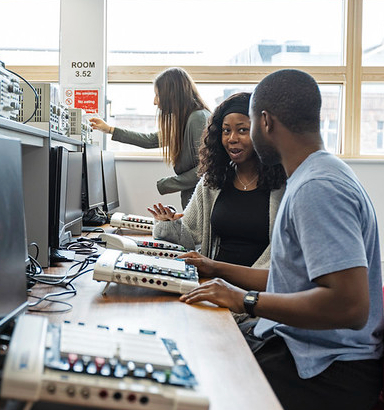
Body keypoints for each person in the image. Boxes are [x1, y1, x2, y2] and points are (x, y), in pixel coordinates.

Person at [179, 69, 383, 410]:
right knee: (194, 341)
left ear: (265, 122)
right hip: (304, 348)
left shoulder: (317, 188)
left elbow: (350, 306)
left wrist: (246, 301)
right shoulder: (315, 172)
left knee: (190, 381)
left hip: (326, 369)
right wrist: (215, 270)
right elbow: (291, 282)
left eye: (248, 126)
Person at [147, 92, 286, 271]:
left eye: (242, 130)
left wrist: (222, 272)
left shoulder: (284, 186)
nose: (232, 138)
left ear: (262, 133)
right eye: (226, 130)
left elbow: (284, 258)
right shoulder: (212, 181)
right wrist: (168, 223)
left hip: (258, 287)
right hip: (212, 281)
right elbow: (188, 236)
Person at [89, 67, 210, 209]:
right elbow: (151, 140)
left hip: (202, 201)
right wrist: (109, 130)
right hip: (193, 198)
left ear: (172, 95)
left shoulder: (197, 118)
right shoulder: (185, 120)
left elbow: (206, 168)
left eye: (158, 95)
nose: (155, 102)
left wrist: (170, 183)